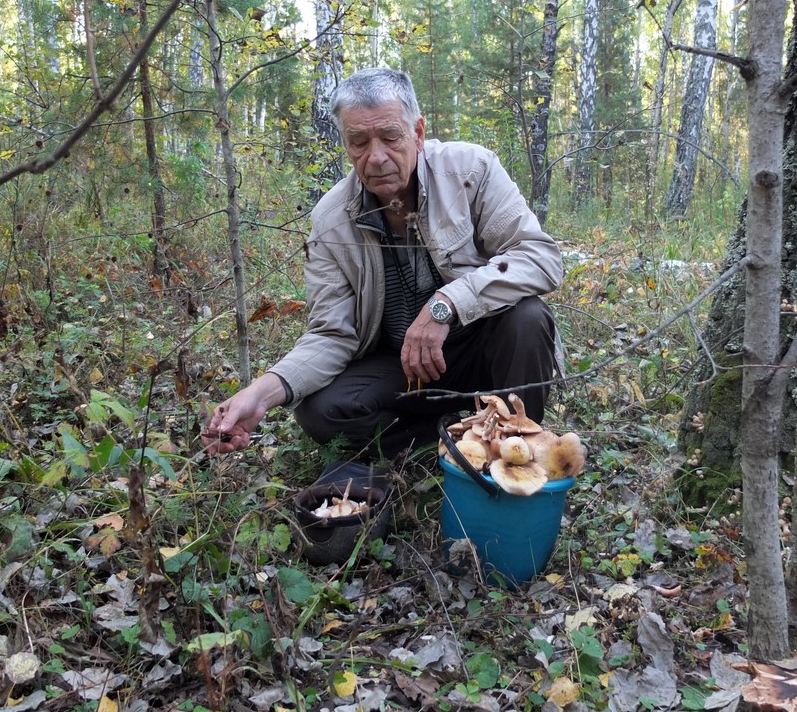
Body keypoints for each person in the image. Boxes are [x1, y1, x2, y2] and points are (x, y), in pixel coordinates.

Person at [202, 68, 563, 461]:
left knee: (528, 318)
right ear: (345, 144)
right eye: (358, 141)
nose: (375, 157)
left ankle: (516, 449)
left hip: (483, 354)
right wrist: (259, 395)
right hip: (401, 368)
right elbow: (330, 334)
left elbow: (539, 257)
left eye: (391, 137)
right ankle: (451, 438)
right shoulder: (331, 219)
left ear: (418, 133)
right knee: (319, 412)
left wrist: (446, 305)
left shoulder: (470, 171)